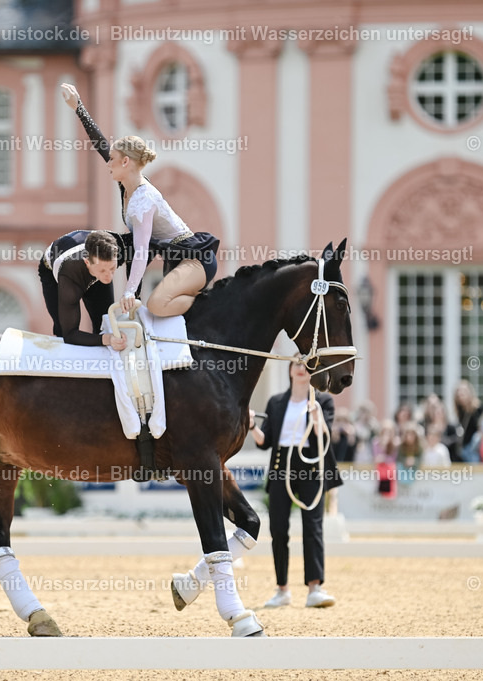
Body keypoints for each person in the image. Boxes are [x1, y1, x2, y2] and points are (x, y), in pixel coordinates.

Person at [61, 83, 220, 317]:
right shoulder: (127, 185)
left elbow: (142, 251)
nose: (108, 163)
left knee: (156, 305)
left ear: (126, 162)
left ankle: (216, 304)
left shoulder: (143, 201)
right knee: (155, 305)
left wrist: (129, 293)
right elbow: (102, 145)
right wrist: (78, 108)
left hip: (196, 261)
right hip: (178, 263)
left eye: (113, 159)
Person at [248, 358, 341, 609]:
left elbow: (326, 436)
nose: (301, 368)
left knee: (313, 526)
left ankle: (315, 588)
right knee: (278, 529)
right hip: (281, 466)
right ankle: (282, 589)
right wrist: (251, 426)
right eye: (296, 363)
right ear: (290, 370)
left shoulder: (323, 401)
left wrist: (318, 418)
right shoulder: (277, 402)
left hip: (310, 466)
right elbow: (265, 441)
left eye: (306, 364)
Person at [39, 229, 128, 349]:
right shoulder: (69, 277)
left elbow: (151, 245)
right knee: (62, 330)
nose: (109, 276)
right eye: (103, 270)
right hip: (56, 270)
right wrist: (107, 339)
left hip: (92, 263)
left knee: (104, 324)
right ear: (87, 262)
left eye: (112, 268)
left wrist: (131, 292)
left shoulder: (120, 249)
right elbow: (70, 335)